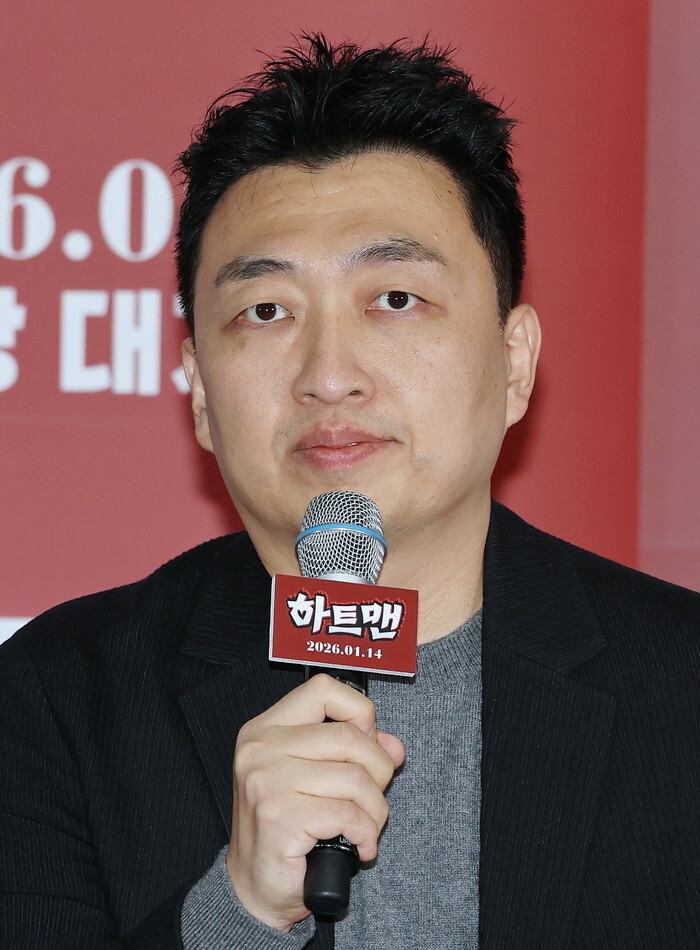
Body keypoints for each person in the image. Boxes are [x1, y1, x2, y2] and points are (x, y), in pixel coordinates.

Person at [0, 35, 697, 950]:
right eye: (266, 311)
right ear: (200, 392)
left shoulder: (682, 688)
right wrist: (238, 915)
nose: (329, 376)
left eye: (395, 299)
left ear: (515, 361)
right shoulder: (54, 699)